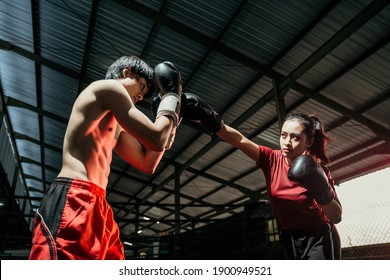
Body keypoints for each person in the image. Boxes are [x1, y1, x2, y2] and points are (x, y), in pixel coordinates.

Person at [29, 56, 183, 260]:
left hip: (98, 202)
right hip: (74, 195)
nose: (140, 97)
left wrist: (170, 125)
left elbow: (147, 163)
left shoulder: (115, 121)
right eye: (142, 86)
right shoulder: (107, 88)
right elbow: (155, 138)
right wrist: (171, 97)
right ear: (126, 72)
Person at [180, 92, 342, 260]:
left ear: (308, 142)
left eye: (295, 138)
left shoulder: (317, 169)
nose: (287, 142)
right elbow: (239, 140)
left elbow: (336, 217)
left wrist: (320, 189)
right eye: (283, 135)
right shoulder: (271, 159)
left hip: (319, 237)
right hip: (288, 237)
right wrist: (210, 118)